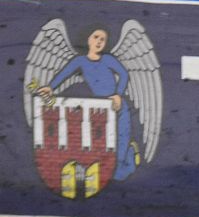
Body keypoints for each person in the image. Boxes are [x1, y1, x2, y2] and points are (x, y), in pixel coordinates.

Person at [37, 26, 139, 180]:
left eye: (103, 39)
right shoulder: (80, 61)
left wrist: (118, 94)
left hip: (117, 107)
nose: (99, 41)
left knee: (119, 155)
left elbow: (124, 74)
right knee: (105, 153)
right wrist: (50, 87)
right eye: (96, 37)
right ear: (88, 39)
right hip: (100, 110)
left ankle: (130, 153)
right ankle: (127, 157)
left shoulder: (108, 59)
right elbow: (64, 73)